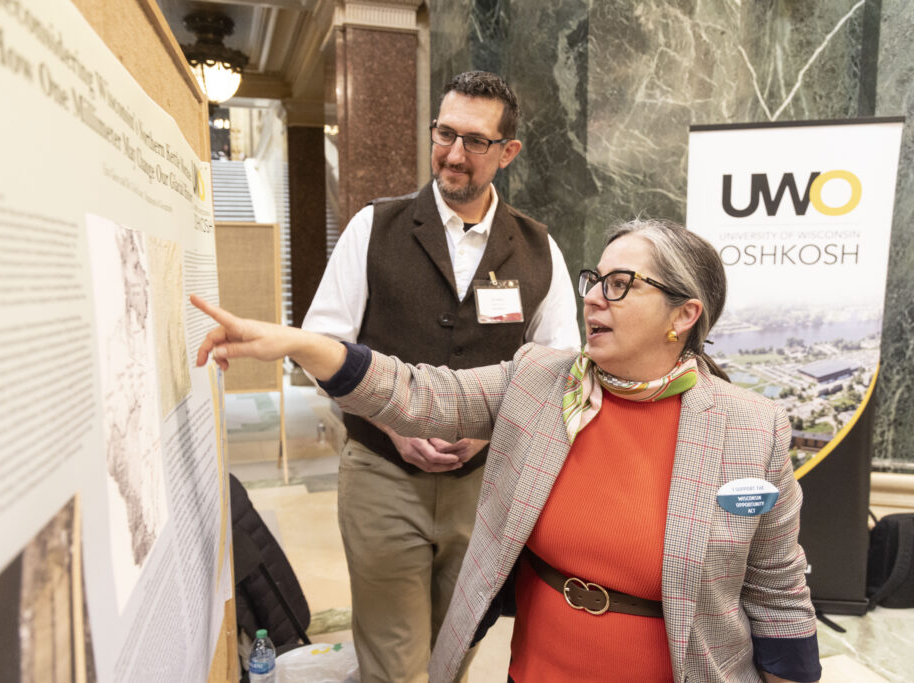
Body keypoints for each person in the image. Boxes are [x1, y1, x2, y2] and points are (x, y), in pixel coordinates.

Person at [190, 217, 821, 683]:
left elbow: (776, 586)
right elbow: (419, 395)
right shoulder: (539, 382)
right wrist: (304, 344)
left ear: (683, 315)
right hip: (542, 668)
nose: (594, 295)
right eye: (595, 278)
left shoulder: (749, 427)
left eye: (622, 284)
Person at [300, 71, 579, 681]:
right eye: (444, 134)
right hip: (381, 476)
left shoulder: (538, 249)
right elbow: (323, 344)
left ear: (507, 153)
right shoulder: (375, 227)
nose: (453, 155)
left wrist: (484, 432)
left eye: (475, 141)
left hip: (483, 485)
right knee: (392, 658)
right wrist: (393, 420)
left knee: (455, 645)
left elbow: (562, 369)